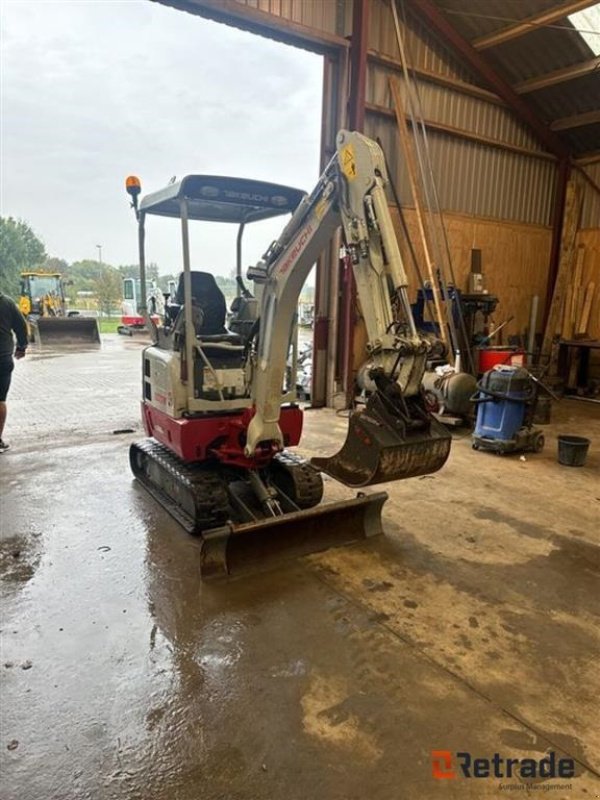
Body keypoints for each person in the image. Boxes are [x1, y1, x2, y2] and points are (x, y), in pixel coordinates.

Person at [0, 292, 28, 452]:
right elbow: (21, 326)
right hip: (2, 358)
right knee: (0, 399)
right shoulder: (7, 302)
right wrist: (22, 346)